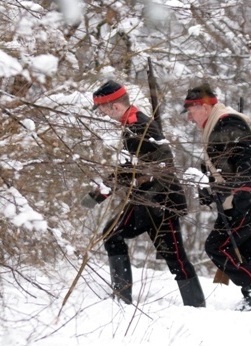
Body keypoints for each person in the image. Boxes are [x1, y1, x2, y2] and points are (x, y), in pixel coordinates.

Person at [88, 80, 205, 307]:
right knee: (175, 257)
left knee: (113, 235)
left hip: (155, 200)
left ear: (115, 106)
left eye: (102, 108)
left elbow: (141, 169)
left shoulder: (138, 127)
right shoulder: (135, 124)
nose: (101, 113)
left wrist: (97, 195)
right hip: (161, 199)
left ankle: (121, 297)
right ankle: (196, 305)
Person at [182, 83, 251, 312]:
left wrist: (241, 191)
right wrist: (208, 189)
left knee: (217, 246)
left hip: (250, 198)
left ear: (205, 107)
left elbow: (245, 160)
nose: (189, 118)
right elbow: (224, 167)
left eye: (191, 111)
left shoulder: (228, 122)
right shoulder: (217, 125)